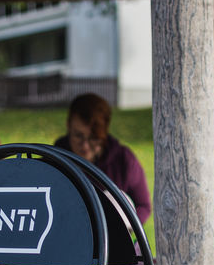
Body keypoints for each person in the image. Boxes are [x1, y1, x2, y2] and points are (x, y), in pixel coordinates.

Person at [53, 93, 152, 224]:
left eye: (94, 138)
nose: (85, 145)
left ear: (104, 133)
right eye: (78, 136)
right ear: (68, 126)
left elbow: (143, 206)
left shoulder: (123, 160)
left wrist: (124, 225)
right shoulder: (55, 159)